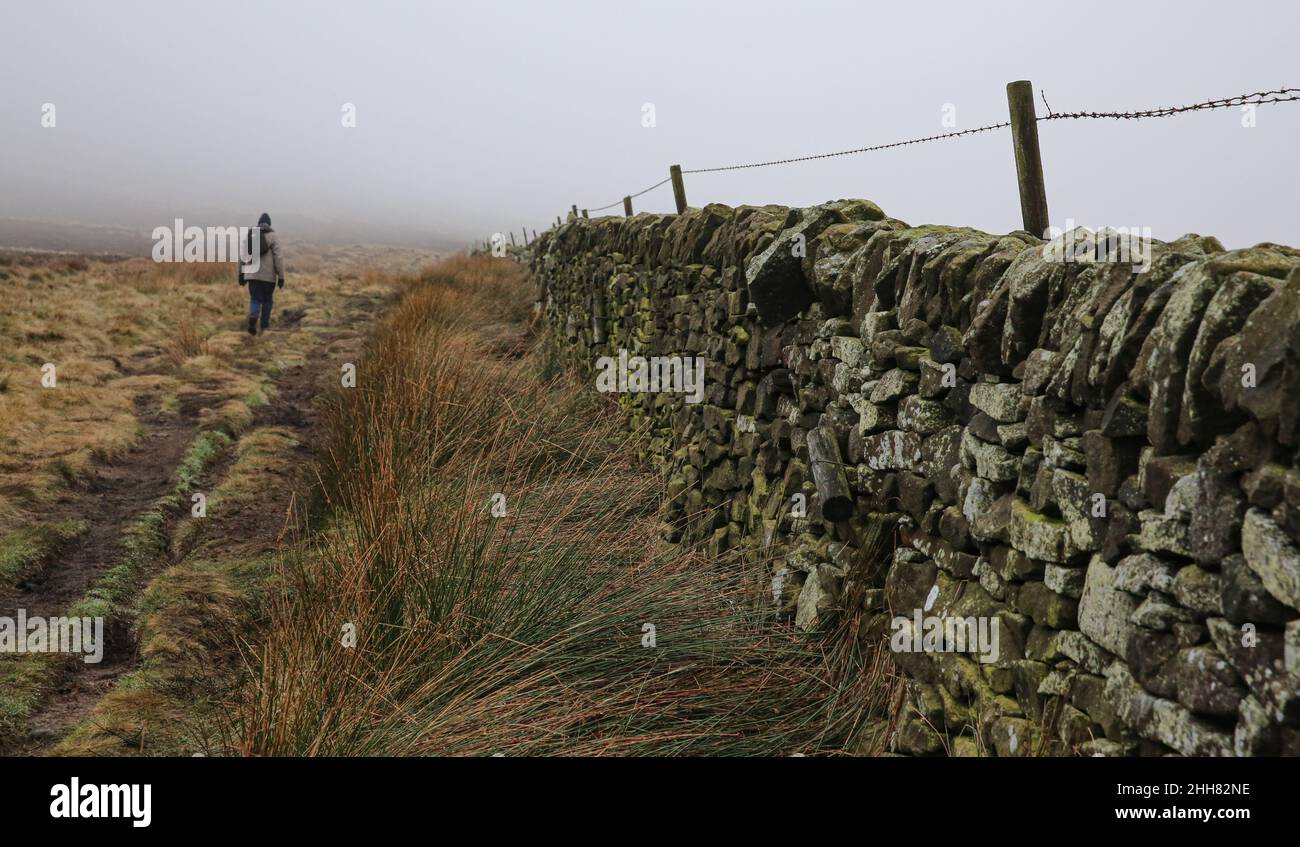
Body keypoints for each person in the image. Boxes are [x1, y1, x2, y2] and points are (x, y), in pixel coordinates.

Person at [238, 212, 285, 335]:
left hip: (252, 275)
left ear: (258, 223)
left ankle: (253, 319)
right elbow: (278, 257)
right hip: (268, 277)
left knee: (255, 299)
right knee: (267, 300)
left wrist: (241, 274)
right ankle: (264, 327)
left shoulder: (250, 235)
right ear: (269, 224)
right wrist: (281, 276)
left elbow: (242, 256)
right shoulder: (273, 236)